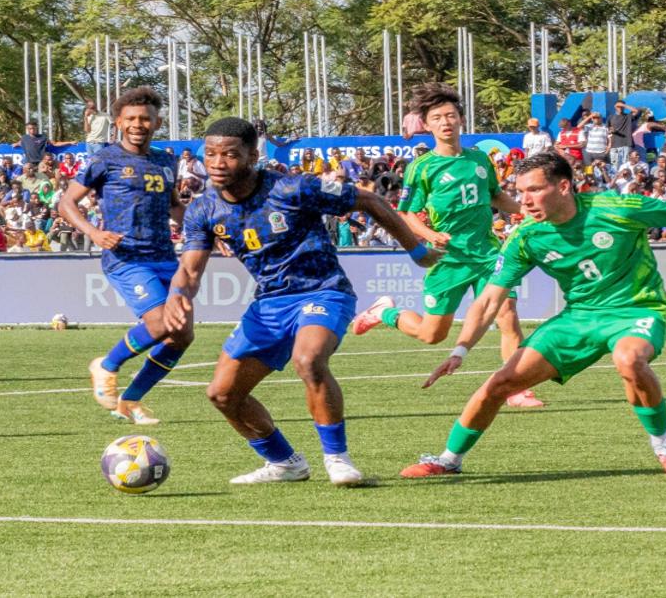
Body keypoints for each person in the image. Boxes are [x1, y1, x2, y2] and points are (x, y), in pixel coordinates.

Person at [399, 153, 666, 479]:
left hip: (637, 309)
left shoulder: (618, 207)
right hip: (579, 318)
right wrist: (461, 351)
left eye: (534, 190)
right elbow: (489, 300)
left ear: (563, 186)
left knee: (628, 359)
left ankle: (664, 445)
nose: (523, 201)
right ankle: (448, 460)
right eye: (519, 192)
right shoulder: (525, 236)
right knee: (498, 384)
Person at [164, 116, 443, 486]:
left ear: (252, 155)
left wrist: (416, 249)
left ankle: (338, 459)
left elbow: (369, 199)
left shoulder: (293, 188)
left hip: (324, 290)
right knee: (222, 394)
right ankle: (285, 463)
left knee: (309, 359)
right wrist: (177, 296)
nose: (217, 163)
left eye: (230, 154)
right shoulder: (203, 210)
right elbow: (191, 269)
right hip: (269, 303)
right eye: (211, 154)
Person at [352, 82, 541, 408]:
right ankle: (385, 311)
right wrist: (428, 235)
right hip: (448, 259)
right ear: (427, 124)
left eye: (451, 115)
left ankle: (515, 389)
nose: (446, 122)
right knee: (432, 334)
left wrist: (524, 209)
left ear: (461, 119)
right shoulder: (421, 168)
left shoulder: (479, 159)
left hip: (487, 253)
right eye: (438, 117)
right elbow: (407, 214)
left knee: (508, 315)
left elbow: (495, 196)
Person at [58, 87, 192, 426]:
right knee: (160, 323)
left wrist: (206, 232)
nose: (138, 124)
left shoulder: (165, 161)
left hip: (165, 255)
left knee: (182, 335)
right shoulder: (106, 160)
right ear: (118, 123)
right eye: (131, 119)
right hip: (126, 257)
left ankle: (130, 401)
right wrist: (94, 233)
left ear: (156, 123)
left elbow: (175, 204)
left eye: (145, 119)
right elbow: (67, 203)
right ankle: (106, 365)